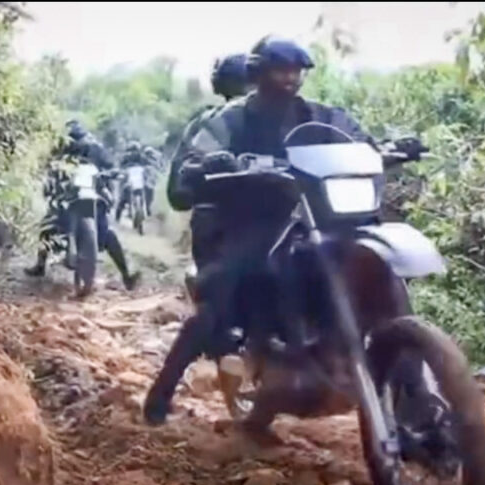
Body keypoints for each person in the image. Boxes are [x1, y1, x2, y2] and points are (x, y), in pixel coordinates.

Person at [143, 36, 425, 425]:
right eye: (281, 70)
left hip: (317, 221)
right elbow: (189, 170)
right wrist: (206, 167)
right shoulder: (228, 119)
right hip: (249, 222)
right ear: (257, 73)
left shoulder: (321, 115)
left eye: (296, 70)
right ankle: (158, 401)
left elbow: (358, 140)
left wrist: (391, 148)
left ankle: (418, 402)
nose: (290, 78)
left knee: (379, 266)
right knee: (221, 294)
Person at [25, 120, 141, 292]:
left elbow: (110, 166)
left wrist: (112, 174)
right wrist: (50, 178)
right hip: (67, 193)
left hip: (93, 194)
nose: (78, 144)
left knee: (108, 233)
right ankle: (40, 265)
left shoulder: (95, 148)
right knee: (48, 226)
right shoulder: (60, 147)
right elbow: (48, 166)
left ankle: (126, 275)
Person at [169, 52, 251, 271]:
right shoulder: (208, 124)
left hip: (283, 217)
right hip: (227, 223)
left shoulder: (291, 117)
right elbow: (179, 189)